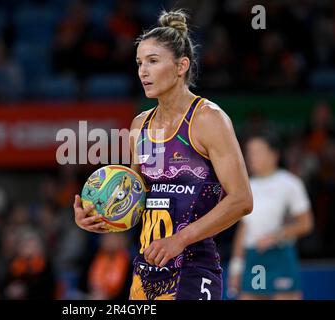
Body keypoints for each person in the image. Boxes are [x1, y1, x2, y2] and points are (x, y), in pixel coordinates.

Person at [73, 9, 253, 300]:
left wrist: (179, 240)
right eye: (139, 63)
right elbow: (136, 197)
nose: (143, 71)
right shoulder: (139, 125)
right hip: (145, 274)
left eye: (153, 61)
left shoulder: (208, 119)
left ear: (181, 66)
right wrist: (101, 216)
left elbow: (242, 200)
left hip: (194, 270)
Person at [228, 133, 313, 300]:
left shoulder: (290, 183)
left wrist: (276, 236)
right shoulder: (246, 186)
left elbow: (306, 223)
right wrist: (235, 269)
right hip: (254, 257)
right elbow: (244, 229)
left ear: (274, 154)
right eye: (249, 152)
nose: (251, 157)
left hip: (280, 255)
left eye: (257, 152)